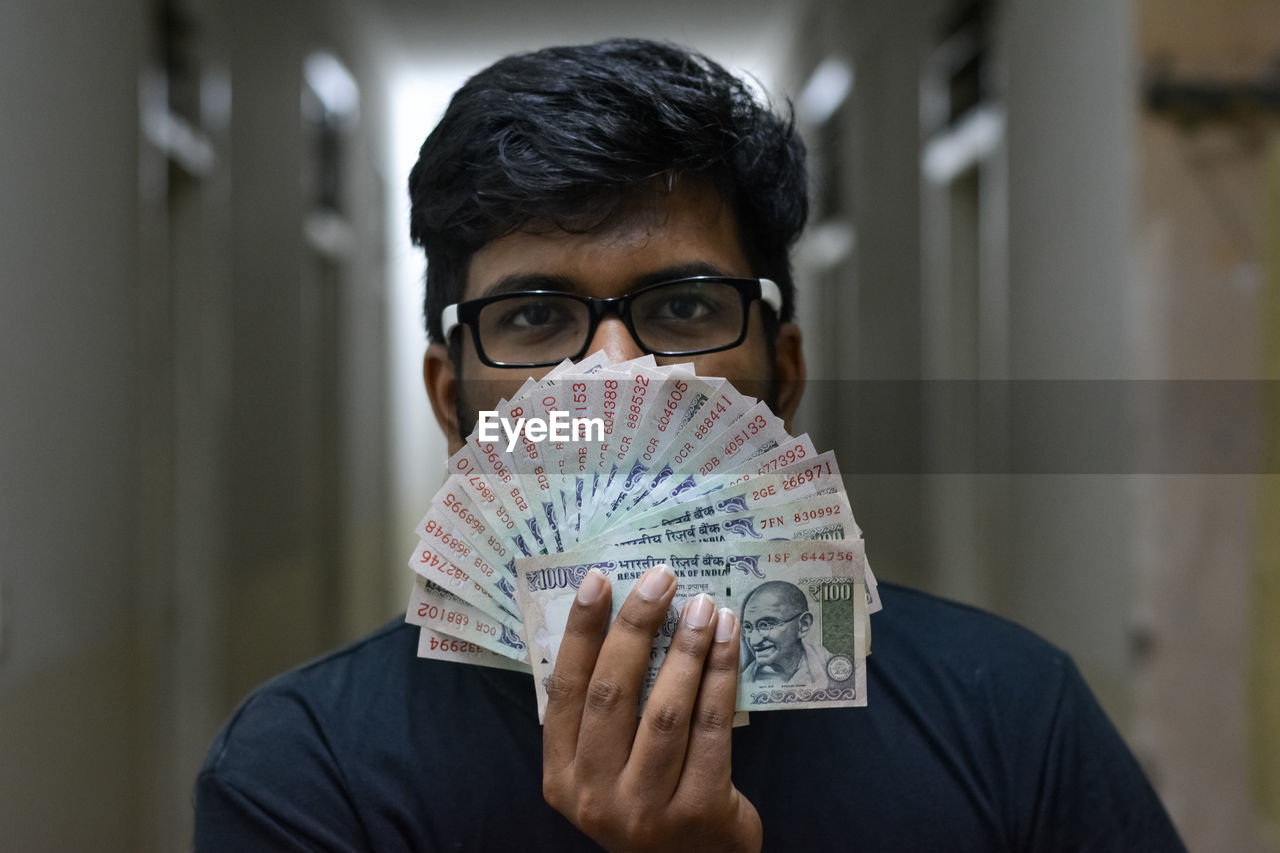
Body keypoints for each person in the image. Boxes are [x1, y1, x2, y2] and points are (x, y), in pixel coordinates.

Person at [194, 39, 1186, 851]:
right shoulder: (305, 768)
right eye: (535, 316)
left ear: (781, 375)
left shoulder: (1012, 715)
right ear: (453, 400)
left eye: (682, 306)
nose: (619, 371)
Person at [739, 581, 831, 688]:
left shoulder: (836, 670)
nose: (754, 641)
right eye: (748, 627)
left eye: (766, 625)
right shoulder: (742, 684)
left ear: (803, 625)